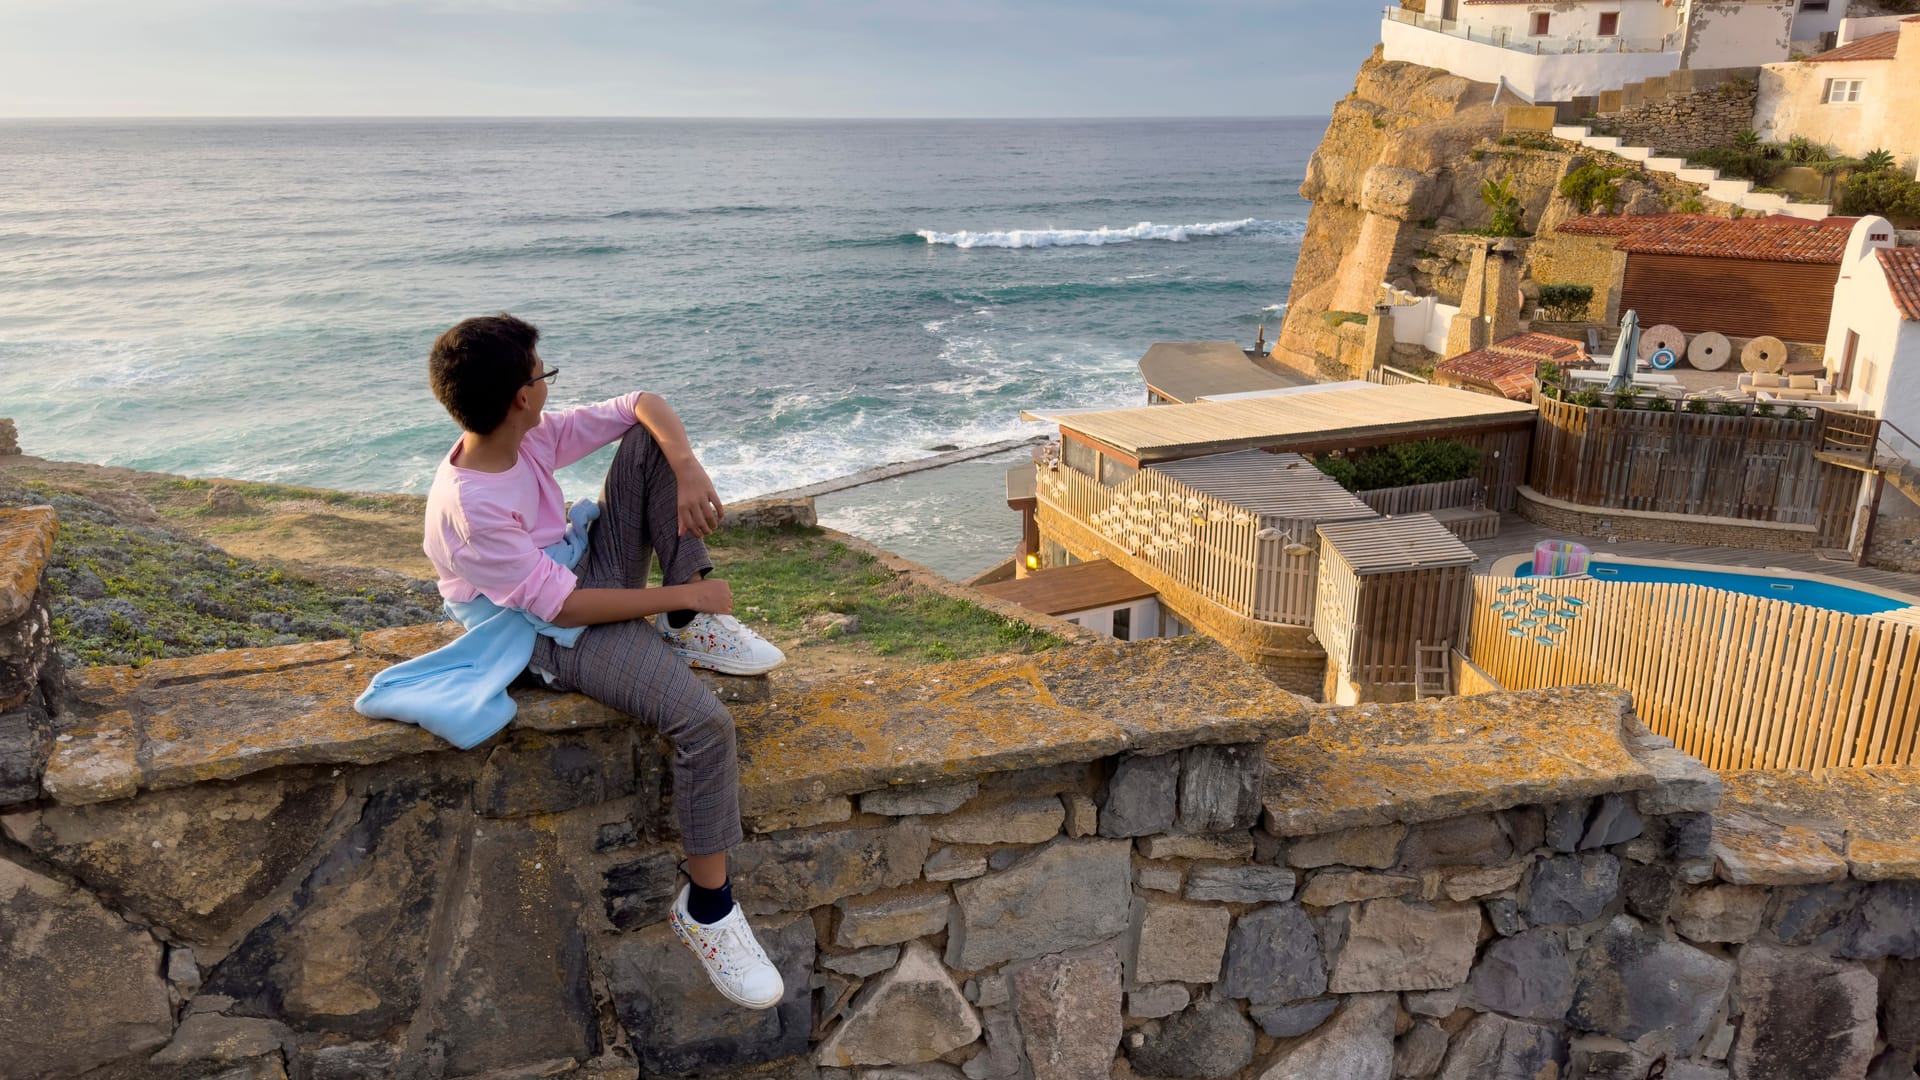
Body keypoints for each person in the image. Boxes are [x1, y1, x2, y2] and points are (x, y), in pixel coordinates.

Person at [418, 313, 787, 1010]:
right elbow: (556, 611)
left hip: (573, 575)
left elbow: (640, 404)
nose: (547, 385)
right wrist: (685, 586)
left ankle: (688, 626)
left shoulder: (515, 439)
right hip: (536, 633)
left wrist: (685, 464)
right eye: (541, 375)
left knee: (649, 443)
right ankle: (708, 911)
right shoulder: (470, 510)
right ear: (522, 398)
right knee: (705, 725)